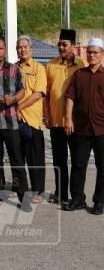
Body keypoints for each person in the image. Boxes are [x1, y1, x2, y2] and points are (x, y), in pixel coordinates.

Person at [0, 37, 30, 209]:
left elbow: (22, 90)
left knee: (17, 161)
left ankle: (23, 198)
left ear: (5, 50)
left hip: (11, 123)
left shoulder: (14, 69)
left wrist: (14, 99)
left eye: (1, 48)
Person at [62, 38, 104, 214]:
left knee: (102, 166)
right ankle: (78, 198)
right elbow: (70, 97)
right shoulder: (79, 74)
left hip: (102, 129)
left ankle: (100, 201)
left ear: (101, 55)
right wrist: (68, 118)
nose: (91, 55)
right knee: (79, 165)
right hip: (81, 128)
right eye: (89, 52)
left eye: (95, 52)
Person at [45, 29, 86, 204]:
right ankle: (61, 193)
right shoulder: (51, 65)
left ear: (74, 46)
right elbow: (46, 94)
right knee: (59, 161)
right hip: (56, 121)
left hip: (76, 122)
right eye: (59, 44)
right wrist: (46, 115)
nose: (61, 47)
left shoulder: (82, 65)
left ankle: (77, 196)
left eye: (65, 44)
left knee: (78, 161)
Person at [16, 36, 47, 203]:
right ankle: (20, 187)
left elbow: (38, 93)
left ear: (31, 49)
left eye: (25, 47)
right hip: (15, 120)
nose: (22, 50)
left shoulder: (38, 68)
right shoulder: (13, 68)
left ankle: (38, 190)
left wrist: (18, 107)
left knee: (36, 158)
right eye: (19, 47)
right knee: (18, 157)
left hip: (33, 119)